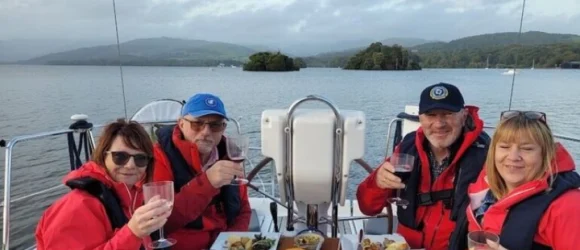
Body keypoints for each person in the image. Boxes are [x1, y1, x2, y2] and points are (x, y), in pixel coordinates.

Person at [36, 119, 223, 249]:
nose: (131, 165)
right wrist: (132, 232)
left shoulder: (134, 196)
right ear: (103, 155)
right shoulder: (76, 207)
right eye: (120, 156)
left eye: (140, 159)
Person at [356, 82, 490, 250]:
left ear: (463, 116)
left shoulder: (486, 156)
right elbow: (367, 207)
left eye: (447, 114)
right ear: (420, 118)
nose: (439, 123)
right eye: (431, 115)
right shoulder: (408, 148)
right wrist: (377, 183)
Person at [465, 111, 580, 250]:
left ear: (546, 154)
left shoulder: (569, 206)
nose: (513, 157)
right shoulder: (485, 188)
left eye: (527, 149)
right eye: (504, 147)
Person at [152, 93, 251, 250]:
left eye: (215, 125)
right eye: (197, 124)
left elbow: (243, 209)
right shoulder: (160, 157)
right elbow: (160, 224)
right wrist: (207, 183)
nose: (205, 132)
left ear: (223, 128)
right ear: (181, 124)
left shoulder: (230, 155)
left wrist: (232, 243)